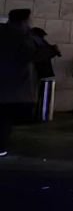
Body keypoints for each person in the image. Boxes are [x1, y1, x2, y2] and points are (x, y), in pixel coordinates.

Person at [1, 9, 53, 157]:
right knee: (4, 118)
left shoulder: (5, 31)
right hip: (11, 85)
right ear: (24, 20)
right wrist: (48, 51)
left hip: (8, 84)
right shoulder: (21, 36)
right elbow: (29, 55)